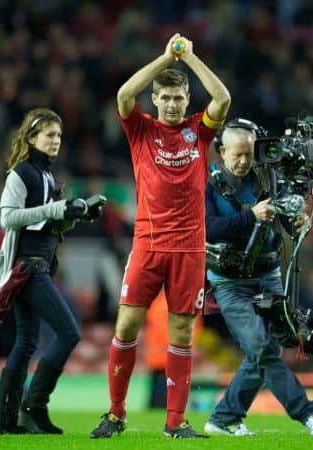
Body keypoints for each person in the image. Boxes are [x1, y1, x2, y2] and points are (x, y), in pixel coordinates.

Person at [90, 33, 231, 439]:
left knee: (183, 332)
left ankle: (175, 422)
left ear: (187, 99)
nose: (171, 104)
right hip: (148, 244)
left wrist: (192, 58)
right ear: (156, 100)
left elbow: (222, 99)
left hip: (189, 247)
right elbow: (123, 94)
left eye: (178, 97)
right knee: (127, 325)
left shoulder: (199, 133)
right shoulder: (140, 130)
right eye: (165, 98)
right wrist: (166, 57)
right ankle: (116, 414)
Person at [0, 108, 103, 435]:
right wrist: (58, 207)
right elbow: (8, 217)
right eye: (49, 135)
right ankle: (34, 407)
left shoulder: (44, 175)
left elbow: (44, 225)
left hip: (34, 265)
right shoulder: (22, 173)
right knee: (69, 333)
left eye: (59, 136)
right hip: (27, 268)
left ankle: (5, 420)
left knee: (26, 342)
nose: (56, 141)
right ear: (31, 138)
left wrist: (76, 215)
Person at [203, 119, 313, 437]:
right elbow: (205, 227)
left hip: (269, 275)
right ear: (221, 152)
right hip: (229, 282)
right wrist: (250, 216)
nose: (246, 161)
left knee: (266, 351)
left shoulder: (267, 177)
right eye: (238, 155)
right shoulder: (206, 184)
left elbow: (282, 221)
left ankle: (223, 418)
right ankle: (307, 412)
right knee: (259, 347)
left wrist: (297, 222)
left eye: (250, 154)